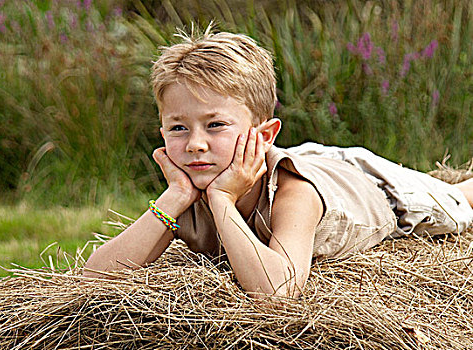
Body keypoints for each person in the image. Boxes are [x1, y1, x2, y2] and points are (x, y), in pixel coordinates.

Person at [84, 27, 473, 299]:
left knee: (456, 200)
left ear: (263, 134)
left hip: (369, 186)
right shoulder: (189, 186)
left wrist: (221, 201)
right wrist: (175, 197)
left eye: (215, 125)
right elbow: (94, 279)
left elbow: (278, 292)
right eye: (178, 128)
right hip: (309, 155)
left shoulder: (294, 194)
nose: (195, 144)